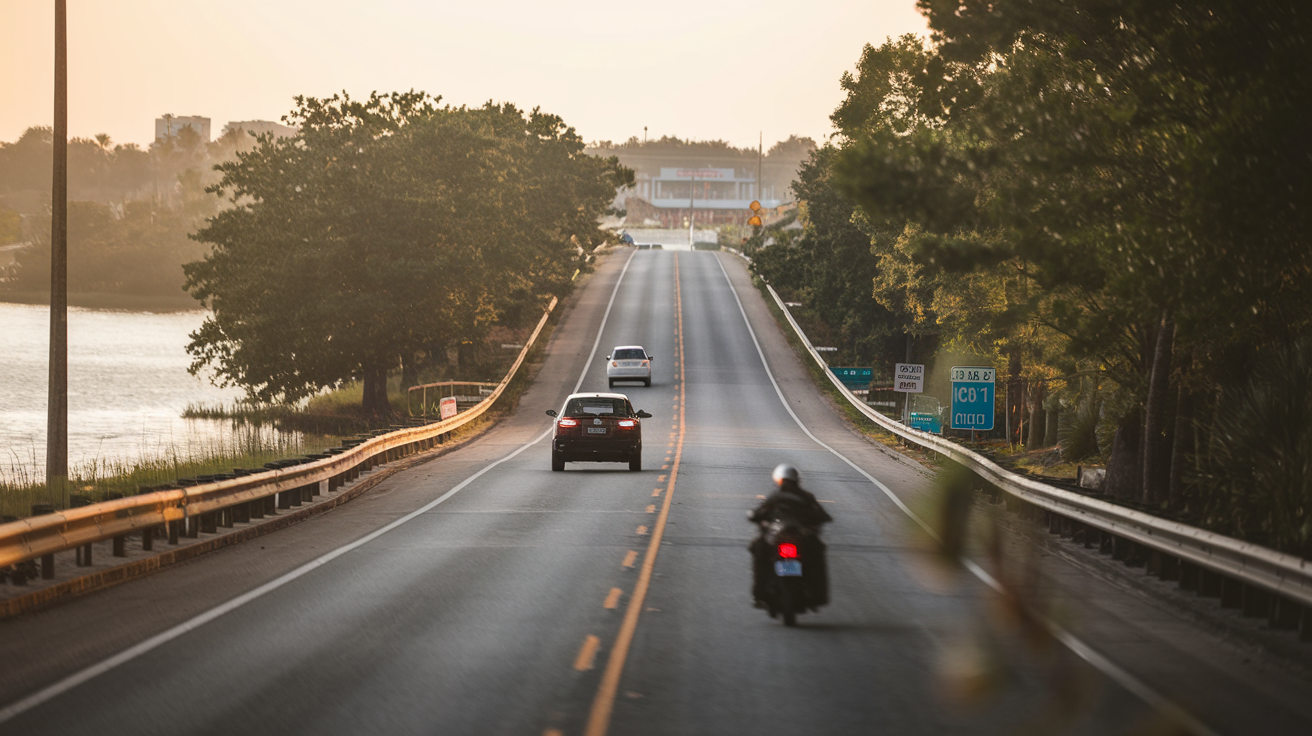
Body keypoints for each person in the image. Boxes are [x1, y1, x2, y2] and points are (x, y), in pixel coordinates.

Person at [749, 464, 832, 608]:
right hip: (800, 537)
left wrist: (754, 517)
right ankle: (818, 595)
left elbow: (759, 513)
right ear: (797, 480)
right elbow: (822, 515)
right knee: (817, 554)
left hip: (782, 537)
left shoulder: (774, 496)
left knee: (758, 550)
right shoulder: (806, 497)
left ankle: (759, 594)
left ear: (778, 479)